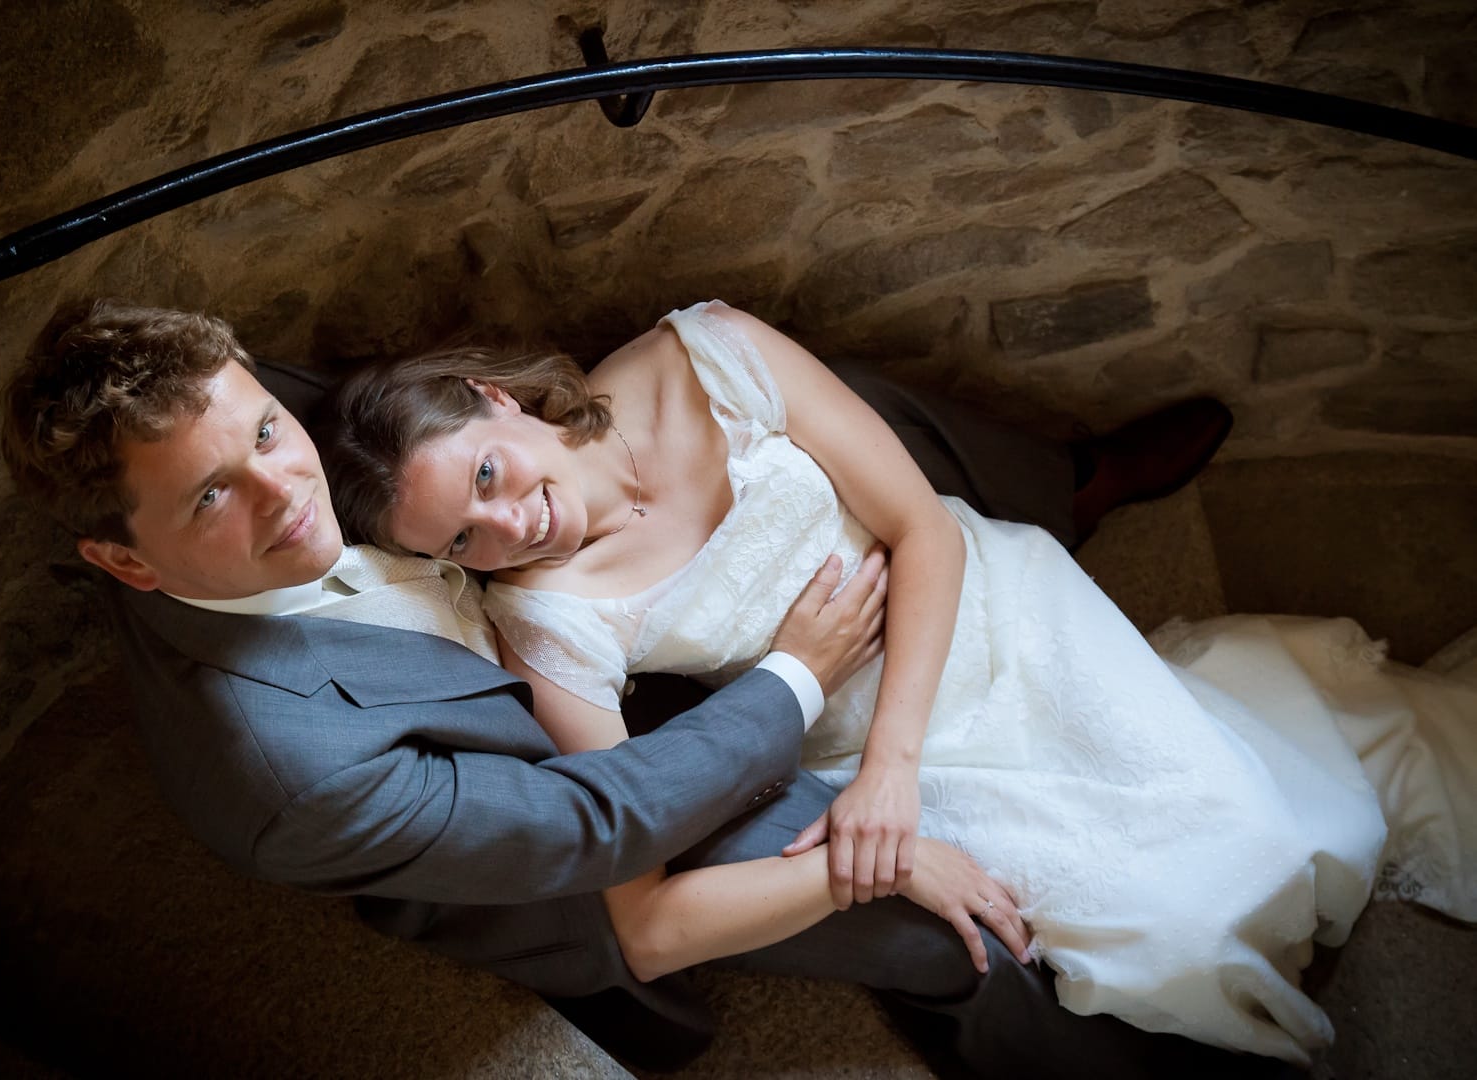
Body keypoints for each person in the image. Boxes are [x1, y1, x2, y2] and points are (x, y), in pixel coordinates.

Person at [0, 298, 1270, 1080]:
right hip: (535, 821)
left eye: (266, 433)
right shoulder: (286, 771)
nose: (288, 491)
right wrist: (801, 692)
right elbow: (600, 826)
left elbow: (414, 449)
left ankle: (1059, 480)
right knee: (937, 910)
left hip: (585, 656)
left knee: (810, 438)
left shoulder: (247, 415)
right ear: (122, 557)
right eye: (214, 496)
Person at [324, 299, 1477, 1068]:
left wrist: (893, 772)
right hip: (845, 730)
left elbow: (922, 531)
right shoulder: (544, 618)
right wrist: (868, 828)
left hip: (984, 615)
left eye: (485, 474)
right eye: (462, 540)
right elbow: (645, 899)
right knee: (1165, 934)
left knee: (1259, 845)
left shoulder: (705, 354)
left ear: (497, 397)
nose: (507, 524)